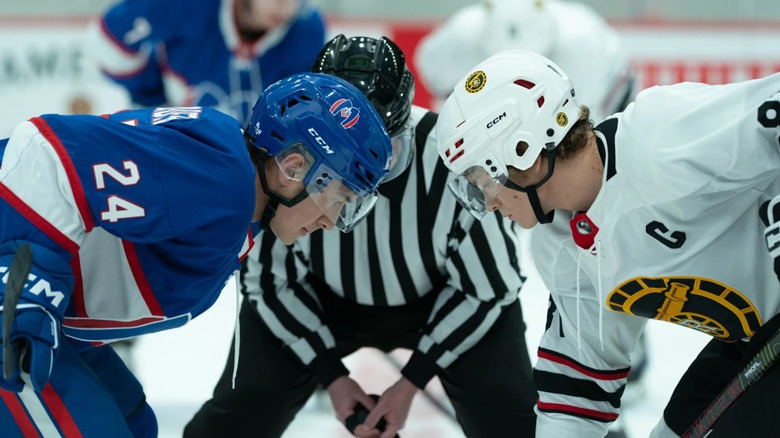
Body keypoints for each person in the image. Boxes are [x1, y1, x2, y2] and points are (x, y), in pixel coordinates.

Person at [0, 72, 393, 436]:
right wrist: (26, 289)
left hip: (44, 312)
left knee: (133, 421)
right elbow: (45, 153)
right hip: (11, 293)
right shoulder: (221, 177)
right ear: (293, 167)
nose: (331, 221)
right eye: (338, 198)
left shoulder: (238, 200)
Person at [185, 35, 537, 438]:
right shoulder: (284, 159)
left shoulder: (450, 154)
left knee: (512, 420)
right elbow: (269, 280)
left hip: (442, 300)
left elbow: (489, 285)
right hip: (320, 300)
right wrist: (332, 376)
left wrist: (412, 381)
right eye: (344, 162)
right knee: (239, 414)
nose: (367, 180)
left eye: (386, 154)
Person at [434, 48, 780, 437]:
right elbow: (579, 388)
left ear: (523, 152)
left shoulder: (660, 138)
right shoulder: (558, 245)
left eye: (482, 179)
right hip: (750, 339)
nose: (488, 201)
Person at [89, 0, 326, 123]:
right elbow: (110, 42)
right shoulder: (190, 6)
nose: (285, 6)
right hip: (178, 149)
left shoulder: (307, 31)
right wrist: (154, 98)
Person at [415, 0, 635, 124]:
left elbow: (583, 126)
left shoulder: (585, 44)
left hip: (615, 89)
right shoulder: (461, 36)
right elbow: (435, 79)